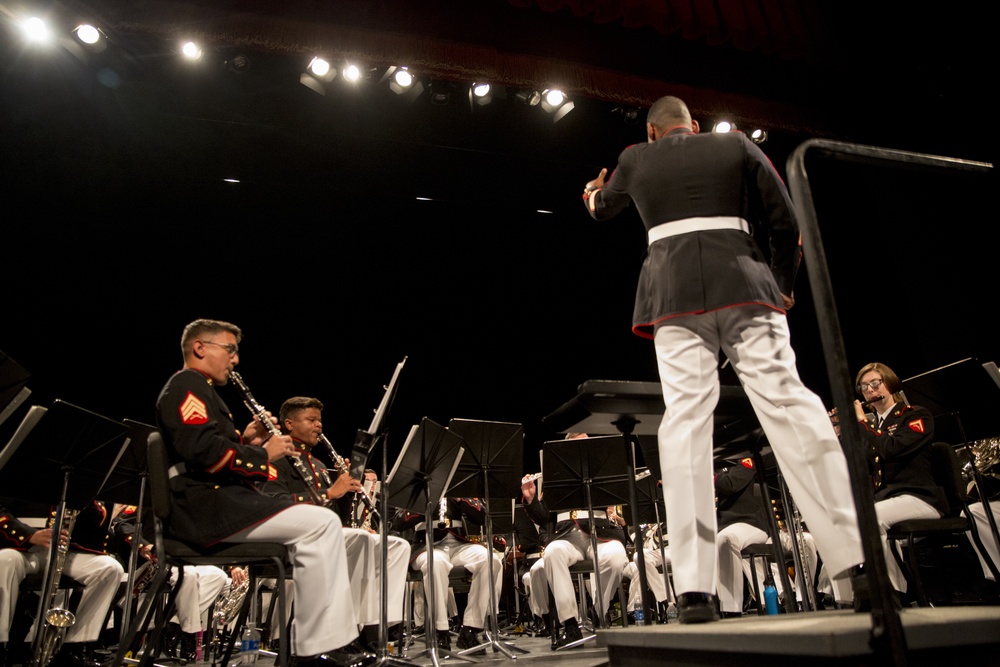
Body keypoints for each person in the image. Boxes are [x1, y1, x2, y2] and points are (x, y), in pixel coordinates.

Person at [581, 95, 865, 623]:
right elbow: (786, 221)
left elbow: (604, 209)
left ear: (651, 133)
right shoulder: (734, 144)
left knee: (686, 423)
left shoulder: (634, 159)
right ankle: (858, 563)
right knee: (791, 405)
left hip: (672, 295)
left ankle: (694, 590)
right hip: (746, 284)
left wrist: (593, 195)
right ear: (694, 126)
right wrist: (781, 283)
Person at [155, 319, 366, 667]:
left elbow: (209, 449)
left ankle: (327, 640)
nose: (235, 360)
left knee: (324, 526)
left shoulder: (200, 389)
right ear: (200, 347)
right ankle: (315, 647)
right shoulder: (187, 386)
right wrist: (263, 453)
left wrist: (246, 442)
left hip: (215, 505)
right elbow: (200, 451)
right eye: (230, 350)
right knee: (322, 523)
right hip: (205, 511)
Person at [260, 396, 411, 655]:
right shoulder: (276, 458)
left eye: (320, 420)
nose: (319, 426)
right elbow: (273, 504)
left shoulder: (318, 465)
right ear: (288, 424)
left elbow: (335, 517)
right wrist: (331, 492)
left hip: (323, 534)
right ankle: (340, 637)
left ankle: (373, 632)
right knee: (360, 541)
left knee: (396, 545)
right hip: (286, 539)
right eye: (311, 420)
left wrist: (349, 491)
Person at [849, 362, 947, 601]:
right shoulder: (873, 426)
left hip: (921, 497)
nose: (870, 390)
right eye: (864, 387)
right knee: (844, 518)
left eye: (875, 383)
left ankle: (893, 593)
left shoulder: (915, 415)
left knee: (872, 518)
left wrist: (862, 424)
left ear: (889, 383)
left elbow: (891, 449)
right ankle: (851, 597)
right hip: (889, 499)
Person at [521, 435, 628, 648]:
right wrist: (531, 498)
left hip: (601, 535)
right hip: (566, 536)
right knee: (552, 553)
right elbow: (543, 518)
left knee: (617, 556)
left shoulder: (603, 469)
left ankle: (600, 610)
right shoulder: (556, 474)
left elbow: (618, 500)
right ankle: (570, 624)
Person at [1, 500, 124, 667]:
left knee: (110, 568)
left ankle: (73, 649)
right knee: (5, 560)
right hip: (22, 547)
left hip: (65, 550)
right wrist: (30, 535)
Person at [393, 498, 502, 653]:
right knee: (435, 562)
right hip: (426, 544)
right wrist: (427, 499)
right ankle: (440, 630)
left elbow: (483, 517)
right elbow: (398, 521)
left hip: (459, 544)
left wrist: (461, 499)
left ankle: (470, 629)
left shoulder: (460, 484)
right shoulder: (417, 484)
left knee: (491, 560)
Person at [714, 458, 770, 617]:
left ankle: (731, 609)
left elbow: (731, 484)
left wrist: (704, 473)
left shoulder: (744, 459)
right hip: (724, 526)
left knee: (726, 538)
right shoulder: (715, 464)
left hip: (750, 524)